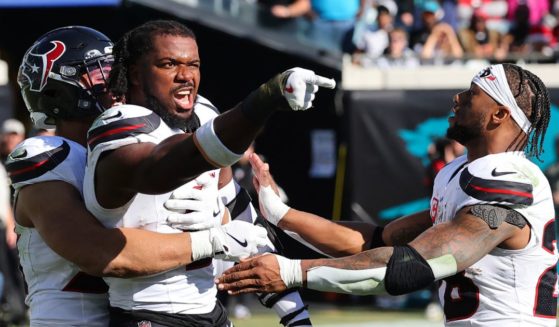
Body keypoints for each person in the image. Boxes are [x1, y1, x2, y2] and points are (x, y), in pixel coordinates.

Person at [217, 63, 558, 326]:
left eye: (472, 94)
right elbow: (379, 241)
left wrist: (292, 272)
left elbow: (412, 265)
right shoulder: (458, 174)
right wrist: (281, 214)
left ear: (499, 114)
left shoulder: (509, 184)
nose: (458, 98)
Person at [9, 25, 270, 326]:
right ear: (57, 88)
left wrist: (222, 217)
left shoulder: (130, 143)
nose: (114, 80)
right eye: (100, 72)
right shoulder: (48, 157)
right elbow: (103, 254)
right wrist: (213, 239)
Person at [82, 19, 334, 326]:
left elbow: (241, 216)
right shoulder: (118, 125)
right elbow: (161, 167)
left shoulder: (203, 113)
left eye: (193, 64)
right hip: (147, 313)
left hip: (211, 311)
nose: (185, 76)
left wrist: (294, 313)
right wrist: (265, 100)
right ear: (135, 73)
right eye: (168, 64)